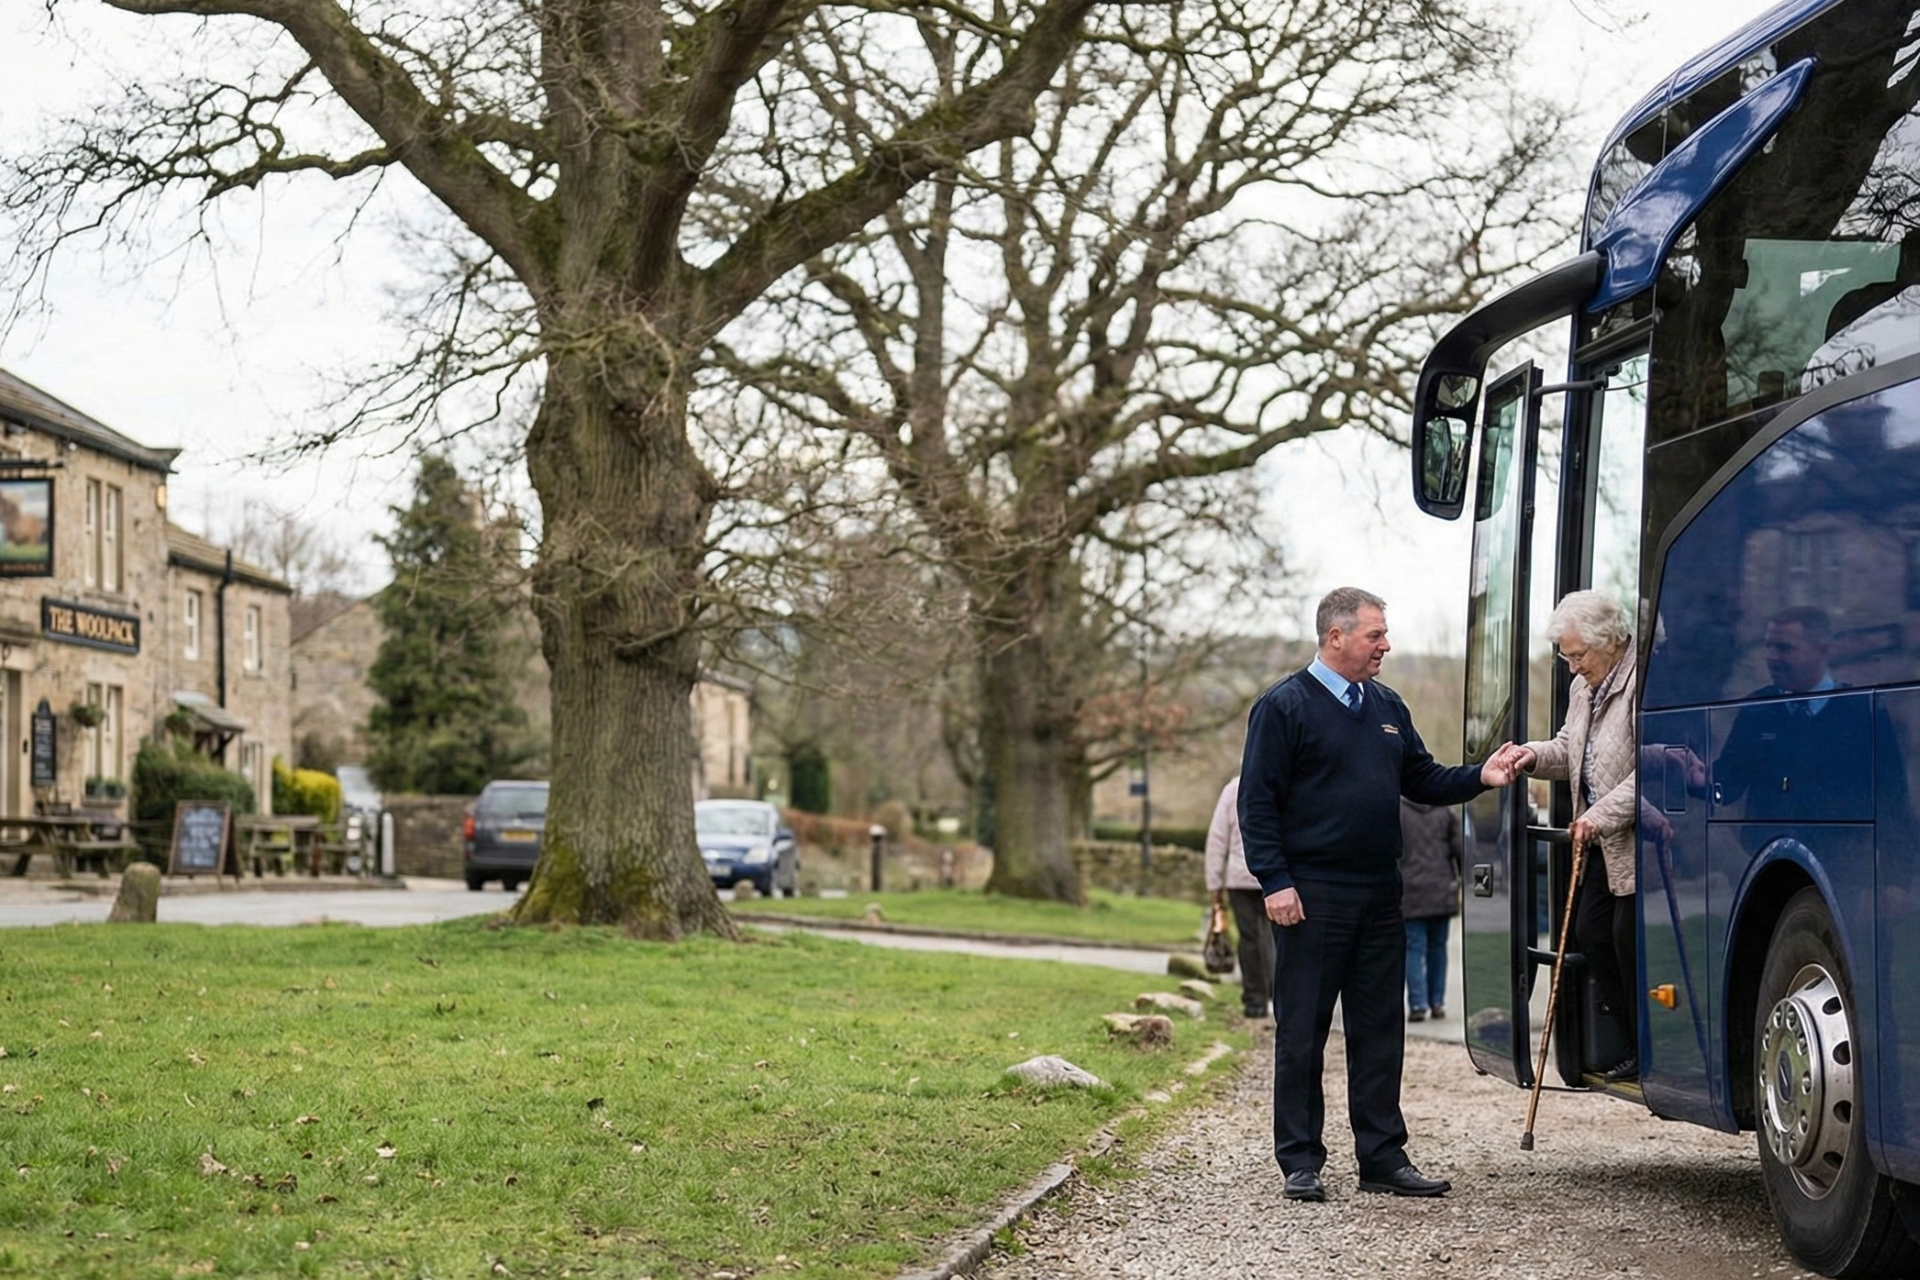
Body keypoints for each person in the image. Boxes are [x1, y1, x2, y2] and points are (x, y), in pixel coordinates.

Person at [1239, 586, 1525, 1203]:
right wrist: (1276, 881)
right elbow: (1256, 803)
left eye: (1385, 635)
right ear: (1335, 636)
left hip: (1379, 892)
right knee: (1302, 1032)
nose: (1385, 646)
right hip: (1310, 895)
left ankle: (1382, 1157)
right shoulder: (1283, 707)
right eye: (1375, 635)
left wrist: (1483, 775)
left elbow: (1420, 779)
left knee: (1379, 1030)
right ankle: (1301, 1160)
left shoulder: (1388, 705)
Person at [1506, 590, 1640, 1084]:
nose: (1571, 667)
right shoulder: (1585, 688)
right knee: (1593, 931)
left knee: (1627, 938)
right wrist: (1531, 757)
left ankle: (1646, 1047)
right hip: (1602, 838)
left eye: (1577, 655)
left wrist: (1600, 815)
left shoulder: (1643, 681)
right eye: (1565, 656)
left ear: (1611, 642)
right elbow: (1571, 748)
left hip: (1640, 838)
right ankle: (1632, 1042)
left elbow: (1657, 767)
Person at [1205, 776, 1275, 1019]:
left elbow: (1217, 839)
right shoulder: (1277, 783)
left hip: (1240, 877)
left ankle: (1255, 999)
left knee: (1249, 937)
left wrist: (1214, 884)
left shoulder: (1233, 790)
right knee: (1272, 934)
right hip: (1274, 874)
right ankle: (1273, 991)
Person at [1398, 796, 1461, 1023]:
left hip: (1410, 889)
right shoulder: (1445, 809)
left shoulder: (1398, 810)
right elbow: (1459, 849)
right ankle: (1437, 1002)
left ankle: (1418, 1003)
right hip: (1441, 888)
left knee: (1414, 949)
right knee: (1438, 948)